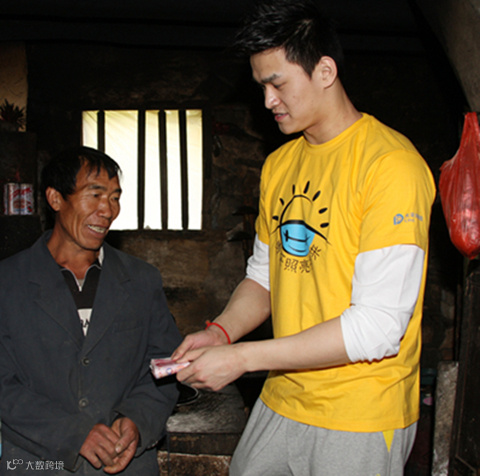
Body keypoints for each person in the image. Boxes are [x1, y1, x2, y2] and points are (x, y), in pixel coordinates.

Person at [172, 1, 436, 474]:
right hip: (284, 393)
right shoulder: (279, 165)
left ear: (325, 71)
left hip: (360, 409)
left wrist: (243, 358)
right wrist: (220, 332)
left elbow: (377, 327)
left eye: (278, 84)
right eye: (262, 87)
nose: (268, 101)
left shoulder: (390, 166)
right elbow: (264, 278)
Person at [0, 146, 182, 475]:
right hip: (36, 462)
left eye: (114, 197)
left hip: (127, 462)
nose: (108, 210)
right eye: (95, 194)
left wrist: (138, 419)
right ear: (56, 199)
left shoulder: (141, 280)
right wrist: (72, 433)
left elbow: (166, 365)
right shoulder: (8, 282)